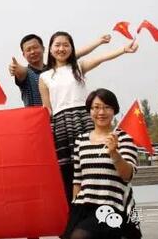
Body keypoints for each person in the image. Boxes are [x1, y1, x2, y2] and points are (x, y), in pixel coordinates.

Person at [38, 31, 138, 204]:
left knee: (92, 161)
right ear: (51, 49)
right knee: (67, 168)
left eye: (66, 45)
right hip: (61, 124)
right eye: (57, 45)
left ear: (72, 48)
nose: (61, 49)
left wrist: (123, 49)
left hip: (83, 119)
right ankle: (74, 207)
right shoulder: (44, 77)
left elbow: (101, 58)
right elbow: (47, 109)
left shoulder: (78, 67)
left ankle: (103, 199)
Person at [63, 88, 142, 239]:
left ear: (114, 110)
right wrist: (74, 207)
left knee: (81, 236)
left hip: (113, 205)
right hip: (83, 206)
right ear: (89, 111)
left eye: (107, 107)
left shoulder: (124, 139)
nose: (101, 112)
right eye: (96, 107)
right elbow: (78, 179)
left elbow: (128, 175)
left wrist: (114, 153)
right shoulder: (81, 140)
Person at [9, 34, 111, 107]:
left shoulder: (54, 69)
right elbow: (21, 71)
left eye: (35, 47)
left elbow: (77, 53)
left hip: (58, 118)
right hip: (36, 121)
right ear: (24, 54)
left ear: (44, 49)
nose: (32, 52)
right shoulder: (27, 73)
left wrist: (99, 42)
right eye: (28, 50)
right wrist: (15, 68)